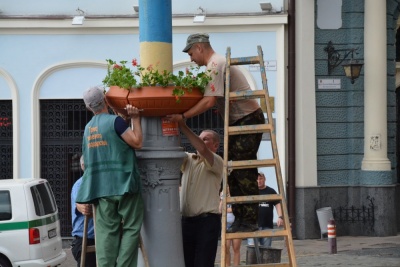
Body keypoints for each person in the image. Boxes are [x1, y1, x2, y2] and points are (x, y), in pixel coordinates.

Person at [168, 33, 264, 232]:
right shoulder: (213, 65)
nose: (191, 58)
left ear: (200, 48)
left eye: (191, 53)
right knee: (234, 169)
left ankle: (250, 219)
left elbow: (209, 100)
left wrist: (183, 116)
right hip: (238, 120)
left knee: (243, 168)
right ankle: (241, 218)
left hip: (247, 118)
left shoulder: (215, 64)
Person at [76, 86, 144, 267]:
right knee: (130, 228)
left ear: (89, 107)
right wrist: (135, 119)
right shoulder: (115, 122)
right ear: (106, 100)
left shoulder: (88, 129)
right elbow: (137, 142)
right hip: (125, 185)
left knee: (106, 233)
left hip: (102, 189)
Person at [178, 119, 223, 267]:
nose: (200, 141)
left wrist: (183, 125)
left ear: (215, 145)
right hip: (186, 222)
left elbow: (203, 150)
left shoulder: (217, 161)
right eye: (200, 138)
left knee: (203, 263)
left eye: (205, 139)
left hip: (207, 222)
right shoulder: (189, 159)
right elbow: (175, 149)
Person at [70, 156, 96, 267]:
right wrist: (82, 206)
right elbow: (82, 207)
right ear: (82, 166)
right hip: (84, 240)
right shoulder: (81, 185)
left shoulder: (98, 184)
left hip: (98, 238)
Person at [248, 172, 284, 247]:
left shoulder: (271, 191)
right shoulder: (251, 191)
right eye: (257, 179)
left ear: (265, 179)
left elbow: (277, 204)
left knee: (266, 250)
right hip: (253, 225)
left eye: (261, 179)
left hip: (267, 225)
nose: (259, 181)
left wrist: (280, 217)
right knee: (252, 250)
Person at [220, 187, 242, 266]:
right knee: (226, 248)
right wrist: (222, 199)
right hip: (226, 224)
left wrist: (228, 209)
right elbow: (220, 210)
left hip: (236, 223)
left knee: (236, 248)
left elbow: (238, 209)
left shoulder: (238, 194)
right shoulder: (223, 195)